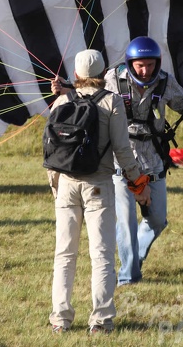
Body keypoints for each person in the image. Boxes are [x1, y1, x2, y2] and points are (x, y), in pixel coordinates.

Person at [104, 36, 183, 286]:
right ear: (131, 63)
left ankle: (133, 260)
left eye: (150, 65)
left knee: (157, 220)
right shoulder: (112, 81)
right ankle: (128, 278)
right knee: (127, 221)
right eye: (140, 65)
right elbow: (93, 100)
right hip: (121, 160)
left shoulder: (164, 82)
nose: (146, 70)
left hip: (153, 160)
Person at [48, 49, 151, 335]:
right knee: (102, 254)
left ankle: (60, 318)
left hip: (66, 185)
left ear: (78, 74)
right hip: (99, 185)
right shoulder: (112, 101)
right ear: (103, 74)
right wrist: (138, 184)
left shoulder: (62, 100)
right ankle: (101, 319)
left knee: (64, 254)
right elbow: (122, 151)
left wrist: (55, 185)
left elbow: (51, 148)